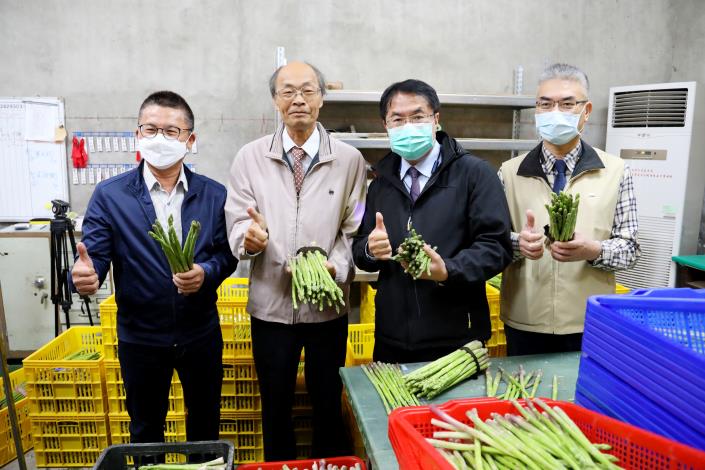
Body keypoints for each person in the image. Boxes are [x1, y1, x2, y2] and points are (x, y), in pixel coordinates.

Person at [71, 91, 237, 444]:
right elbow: (95, 256)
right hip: (140, 336)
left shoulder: (214, 195)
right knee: (145, 430)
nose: (159, 138)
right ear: (137, 135)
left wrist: (206, 272)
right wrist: (87, 275)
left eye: (172, 131)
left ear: (190, 140)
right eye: (150, 129)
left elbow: (227, 254)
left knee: (206, 425)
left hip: (200, 333)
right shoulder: (110, 195)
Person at [225, 61, 367, 461]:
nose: (298, 99)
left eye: (307, 90)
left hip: (328, 307)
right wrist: (248, 240)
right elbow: (237, 220)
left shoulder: (349, 159)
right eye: (287, 91)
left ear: (322, 98)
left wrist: (336, 267)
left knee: (327, 402)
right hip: (271, 307)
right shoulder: (250, 157)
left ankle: (329, 465)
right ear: (275, 100)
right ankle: (280, 466)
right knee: (275, 405)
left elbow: (352, 227)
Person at [352, 79, 513, 364]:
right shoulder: (381, 182)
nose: (408, 126)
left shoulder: (474, 175)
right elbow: (361, 251)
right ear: (385, 125)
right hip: (391, 338)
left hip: (457, 339)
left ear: (436, 120)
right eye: (398, 119)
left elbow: (496, 248)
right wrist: (369, 249)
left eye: (417, 117)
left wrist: (447, 270)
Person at [498, 63, 640, 356]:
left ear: (586, 112)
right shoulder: (509, 173)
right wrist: (517, 244)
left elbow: (630, 249)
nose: (555, 112)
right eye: (545, 104)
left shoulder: (615, 171)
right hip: (525, 321)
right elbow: (490, 242)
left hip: (589, 321)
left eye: (567, 104)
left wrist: (594, 251)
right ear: (537, 111)